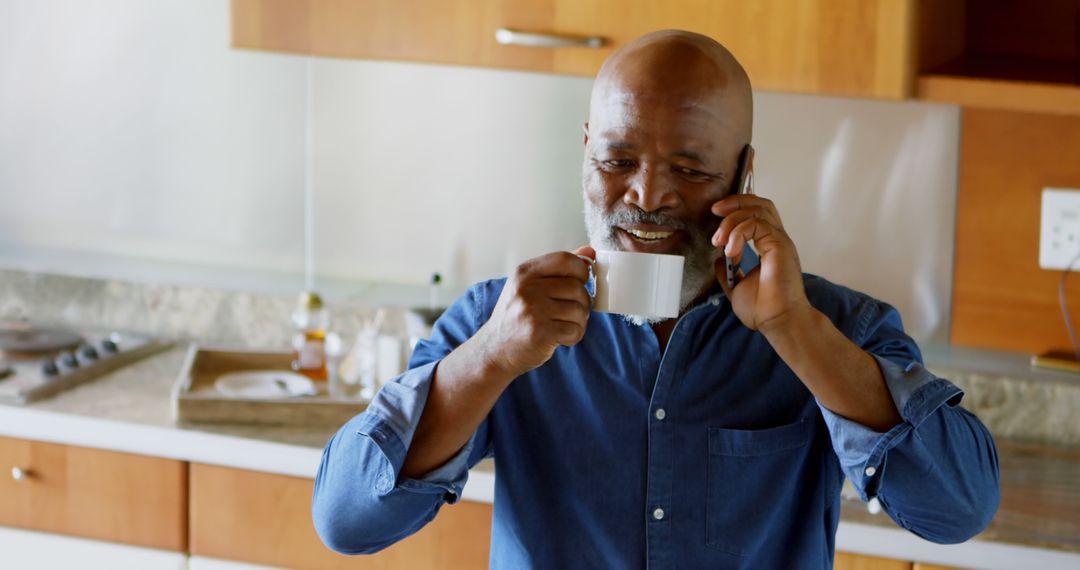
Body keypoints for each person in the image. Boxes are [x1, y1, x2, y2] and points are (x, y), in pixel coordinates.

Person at [312, 29, 999, 569]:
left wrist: (796, 332)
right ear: (585, 154)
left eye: (691, 169)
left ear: (743, 171)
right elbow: (345, 520)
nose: (647, 196)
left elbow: (957, 509)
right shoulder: (503, 320)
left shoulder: (837, 327)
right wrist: (489, 358)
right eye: (616, 162)